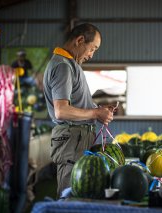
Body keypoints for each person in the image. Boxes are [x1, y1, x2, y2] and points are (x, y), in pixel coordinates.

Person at [43, 23, 114, 199]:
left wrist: (98, 109)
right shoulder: (63, 66)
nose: (91, 55)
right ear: (80, 40)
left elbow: (74, 103)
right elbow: (61, 111)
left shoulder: (70, 64)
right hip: (73, 140)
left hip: (78, 139)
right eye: (92, 49)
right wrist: (96, 114)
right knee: (70, 196)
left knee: (81, 193)